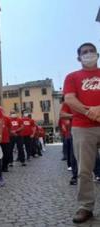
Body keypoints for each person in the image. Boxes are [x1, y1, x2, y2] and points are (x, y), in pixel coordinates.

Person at [64, 43, 100, 223]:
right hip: (82, 126)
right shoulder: (72, 77)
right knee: (85, 170)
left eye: (91, 51)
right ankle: (85, 206)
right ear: (79, 58)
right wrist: (89, 112)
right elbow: (69, 99)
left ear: (97, 54)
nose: (88, 54)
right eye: (84, 52)